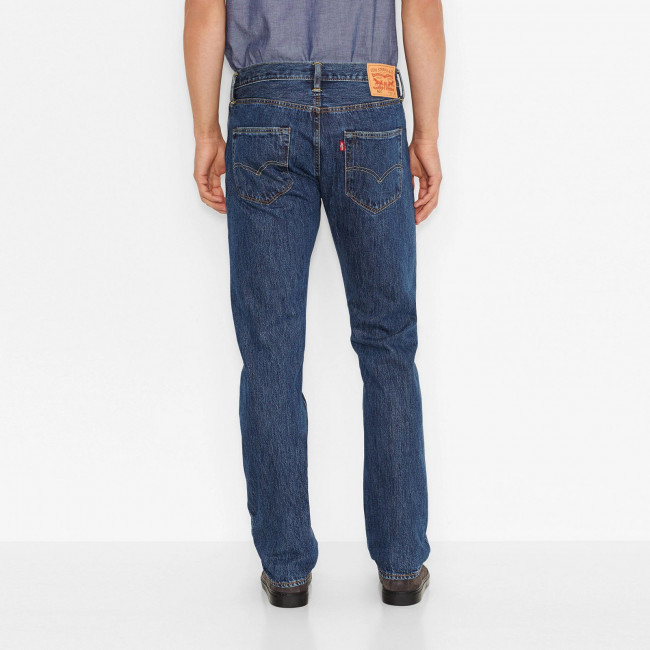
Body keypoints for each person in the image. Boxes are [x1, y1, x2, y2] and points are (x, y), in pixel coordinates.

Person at [184, 0, 445, 607]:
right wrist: (427, 133)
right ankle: (401, 565)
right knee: (388, 346)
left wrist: (205, 132)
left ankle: (286, 571)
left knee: (269, 352)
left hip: (263, 107)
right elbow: (423, 12)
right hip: (370, 103)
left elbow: (204, 12)